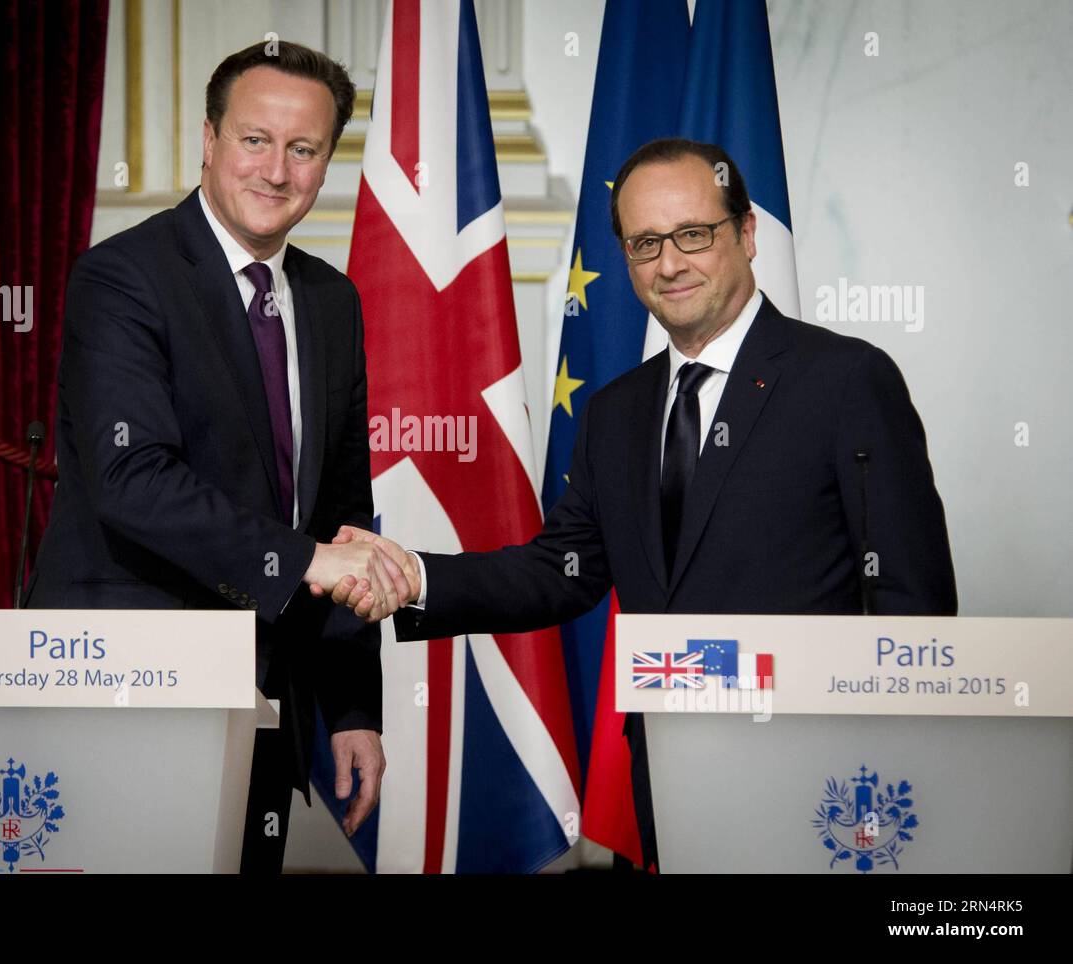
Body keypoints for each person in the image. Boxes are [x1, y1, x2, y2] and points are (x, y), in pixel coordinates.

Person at [331, 137, 958, 871]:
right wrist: (417, 576)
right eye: (645, 243)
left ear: (747, 234)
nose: (670, 263)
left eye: (694, 234)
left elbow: (913, 604)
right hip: (669, 777)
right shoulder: (616, 413)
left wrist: (890, 772)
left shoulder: (846, 380)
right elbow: (561, 571)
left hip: (820, 782)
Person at [25, 41, 408, 873]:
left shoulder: (332, 301)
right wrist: (307, 559)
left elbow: (344, 510)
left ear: (326, 161)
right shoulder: (122, 277)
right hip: (129, 683)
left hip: (270, 696)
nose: (276, 170)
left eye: (303, 149)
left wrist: (352, 707)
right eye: (254, 140)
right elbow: (133, 482)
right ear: (208, 139)